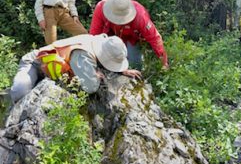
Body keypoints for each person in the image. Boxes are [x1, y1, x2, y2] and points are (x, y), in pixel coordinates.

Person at [10, 34, 142, 103]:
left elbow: (102, 60)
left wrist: (120, 70)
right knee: (19, 92)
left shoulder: (98, 42)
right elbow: (90, 87)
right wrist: (94, 75)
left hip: (53, 70)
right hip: (34, 64)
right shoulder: (83, 53)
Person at [89, 0, 169, 69]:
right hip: (110, 35)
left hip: (131, 37)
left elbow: (155, 38)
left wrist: (164, 63)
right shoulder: (101, 8)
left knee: (135, 64)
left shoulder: (141, 17)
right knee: (105, 60)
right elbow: (94, 37)